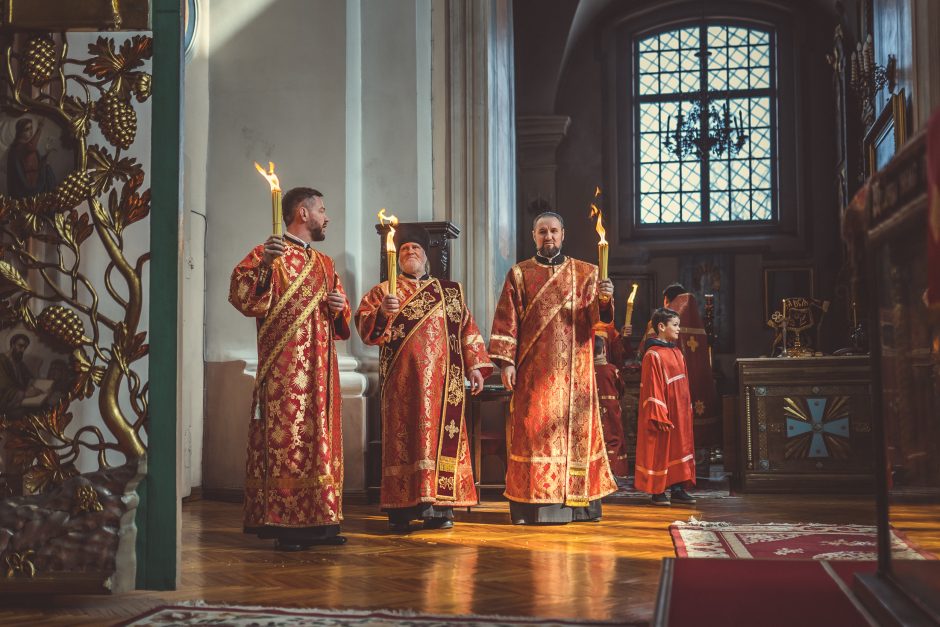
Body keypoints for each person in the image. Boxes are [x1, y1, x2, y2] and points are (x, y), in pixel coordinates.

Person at [229, 186, 351, 550]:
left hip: (321, 372)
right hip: (284, 372)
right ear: (303, 213)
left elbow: (340, 321)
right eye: (322, 210)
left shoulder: (326, 264)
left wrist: (339, 305)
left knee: (321, 444)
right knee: (290, 443)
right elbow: (243, 296)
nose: (327, 217)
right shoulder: (267, 254)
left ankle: (322, 522)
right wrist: (266, 264)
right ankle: (287, 525)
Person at [355, 224, 493, 532]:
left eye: (415, 248)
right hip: (402, 384)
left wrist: (475, 367)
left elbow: (468, 332)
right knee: (405, 443)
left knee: (441, 442)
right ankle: (402, 510)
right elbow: (366, 331)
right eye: (404, 249)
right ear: (397, 258)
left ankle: (440, 508)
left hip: (445, 384)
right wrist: (381, 313)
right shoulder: (382, 292)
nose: (410, 252)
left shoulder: (450, 292)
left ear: (426, 255)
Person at [489, 211, 618, 524]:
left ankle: (579, 506)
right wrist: (506, 363)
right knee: (531, 435)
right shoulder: (519, 274)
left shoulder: (587, 273)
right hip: (533, 373)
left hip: (576, 373)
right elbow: (507, 321)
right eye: (542, 232)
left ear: (564, 234)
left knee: (577, 435)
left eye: (554, 231)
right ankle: (528, 505)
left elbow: (598, 321)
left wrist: (604, 300)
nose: (548, 237)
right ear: (534, 236)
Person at [642, 283, 721, 449]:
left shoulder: (659, 327)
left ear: (666, 301)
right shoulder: (696, 323)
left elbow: (643, 350)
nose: (677, 329)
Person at [635, 308, 696, 506]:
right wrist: (659, 412)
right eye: (675, 325)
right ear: (661, 327)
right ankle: (658, 491)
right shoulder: (652, 355)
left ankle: (678, 488)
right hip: (664, 410)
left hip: (680, 411)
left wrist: (687, 407)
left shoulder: (677, 351)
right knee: (661, 448)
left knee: (679, 446)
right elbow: (652, 386)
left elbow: (683, 383)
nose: (679, 329)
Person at [593, 329, 629, 479]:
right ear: (604, 350)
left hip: (594, 409)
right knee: (613, 437)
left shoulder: (586, 370)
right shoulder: (612, 370)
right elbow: (621, 388)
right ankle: (613, 470)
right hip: (611, 408)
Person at [7, 118, 56, 199]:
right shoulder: (17, 148)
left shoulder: (27, 147)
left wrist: (46, 158)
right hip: (26, 186)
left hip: (36, 181)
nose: (31, 131)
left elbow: (38, 161)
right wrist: (39, 128)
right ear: (19, 132)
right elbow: (31, 147)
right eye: (27, 129)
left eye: (31, 128)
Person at [0, 334, 42, 416]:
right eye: (20, 346)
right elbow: (3, 387)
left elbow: (30, 378)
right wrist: (25, 394)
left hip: (20, 400)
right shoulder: (1, 361)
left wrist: (35, 386)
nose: (22, 350)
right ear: (12, 344)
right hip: (5, 404)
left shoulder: (19, 363)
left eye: (25, 348)